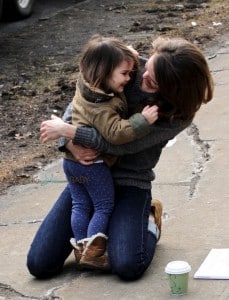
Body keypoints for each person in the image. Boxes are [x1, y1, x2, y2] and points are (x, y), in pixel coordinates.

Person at [27, 36, 214, 281]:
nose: (142, 76)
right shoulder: (127, 67)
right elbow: (82, 101)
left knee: (127, 265)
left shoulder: (177, 114)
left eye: (153, 80)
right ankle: (114, 227)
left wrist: (71, 132)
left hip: (129, 180)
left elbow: (119, 144)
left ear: (172, 90)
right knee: (40, 265)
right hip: (91, 174)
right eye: (147, 67)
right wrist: (69, 143)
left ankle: (149, 220)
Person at [59, 35, 159, 270]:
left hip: (71, 163)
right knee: (103, 205)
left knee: (80, 204)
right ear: (104, 73)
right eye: (125, 74)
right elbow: (115, 134)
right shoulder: (105, 104)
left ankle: (81, 248)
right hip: (94, 165)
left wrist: (67, 134)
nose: (130, 78)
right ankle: (95, 252)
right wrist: (141, 121)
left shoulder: (87, 86)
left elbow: (71, 118)